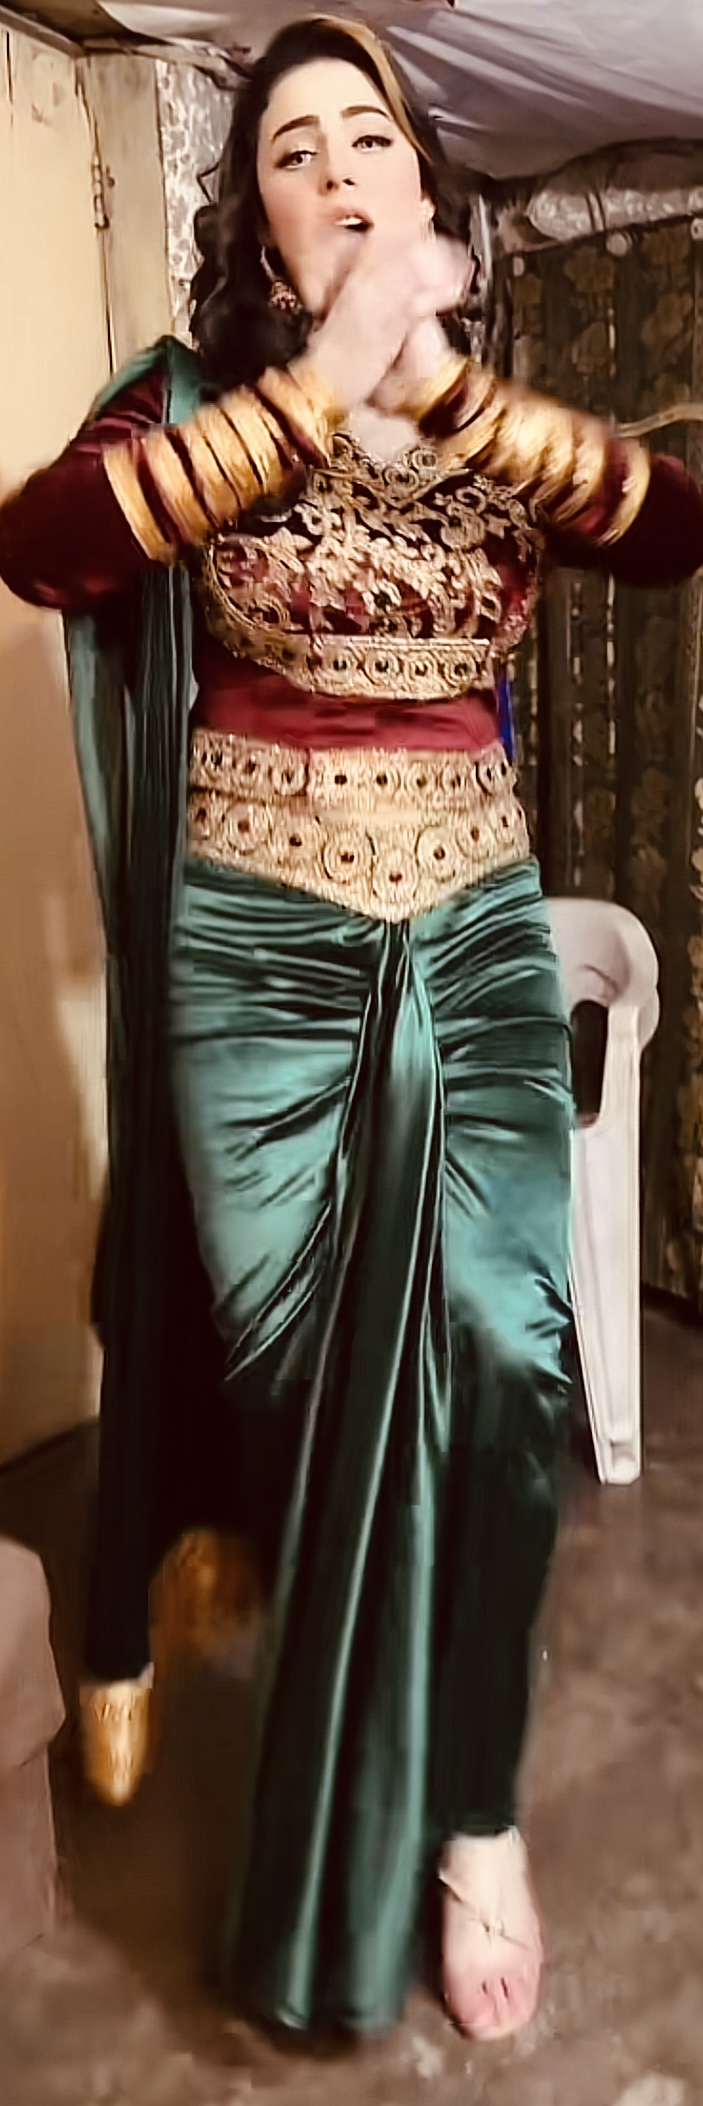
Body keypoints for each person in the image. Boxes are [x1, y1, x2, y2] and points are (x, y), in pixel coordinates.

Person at [1, 10, 702, 2049]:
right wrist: (315, 391)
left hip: (471, 933)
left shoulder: (495, 425)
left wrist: (440, 385)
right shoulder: (193, 407)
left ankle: (472, 1815)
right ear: (263, 227)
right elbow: (41, 545)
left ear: (422, 185)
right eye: (291, 149)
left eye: (366, 136)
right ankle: (362, 1783)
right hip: (261, 969)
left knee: (499, 1363)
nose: (334, 167)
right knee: (317, 1407)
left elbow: (671, 526)